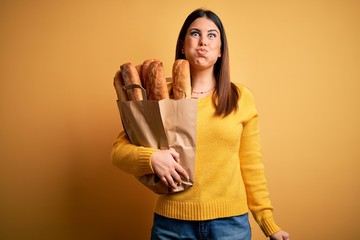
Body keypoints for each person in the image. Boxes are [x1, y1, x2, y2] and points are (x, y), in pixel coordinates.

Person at [111, 8, 290, 240]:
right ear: (183, 46)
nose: (203, 41)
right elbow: (118, 152)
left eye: (212, 35)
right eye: (195, 34)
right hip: (171, 225)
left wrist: (268, 224)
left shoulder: (240, 98)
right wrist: (152, 159)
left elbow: (251, 165)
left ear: (220, 51)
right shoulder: (161, 98)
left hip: (230, 226)